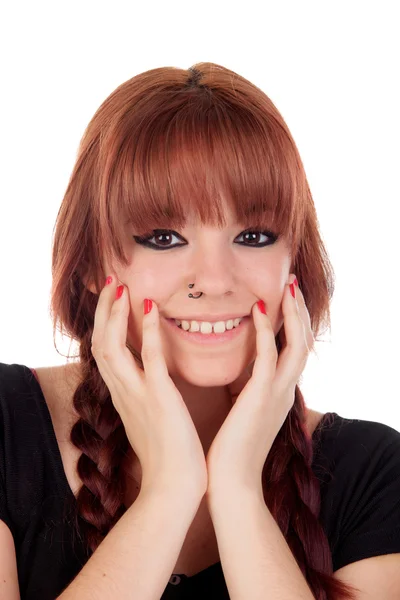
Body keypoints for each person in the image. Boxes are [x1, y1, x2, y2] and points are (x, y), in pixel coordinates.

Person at [1, 62, 399, 600]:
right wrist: (169, 490)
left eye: (255, 235)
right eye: (163, 238)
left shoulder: (376, 472)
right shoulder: (6, 427)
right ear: (94, 264)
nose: (213, 281)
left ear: (294, 263)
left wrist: (236, 489)